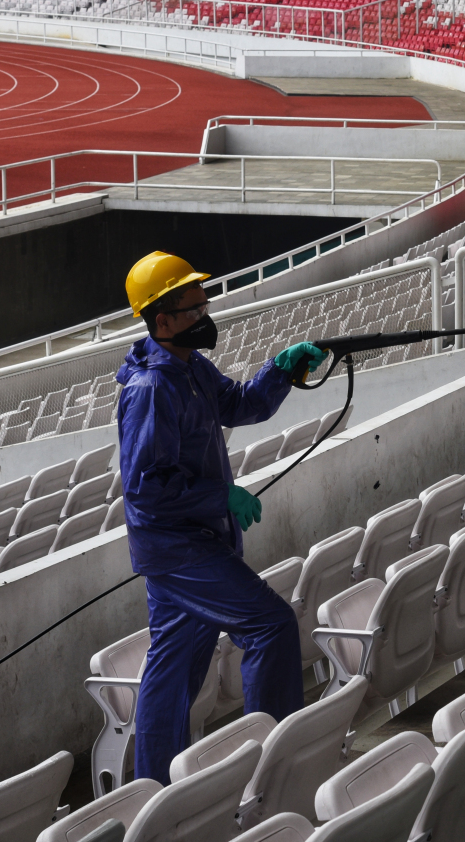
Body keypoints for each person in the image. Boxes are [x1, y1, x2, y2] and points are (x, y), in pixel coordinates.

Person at [115, 250, 327, 784]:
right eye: (192, 309)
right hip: (180, 549)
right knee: (270, 624)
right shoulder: (149, 391)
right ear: (161, 320)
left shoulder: (190, 367)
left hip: (195, 541)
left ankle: (152, 787)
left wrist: (281, 369)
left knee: (172, 671)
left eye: (203, 304)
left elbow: (240, 406)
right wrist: (221, 496)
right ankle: (273, 769)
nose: (204, 318)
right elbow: (146, 490)